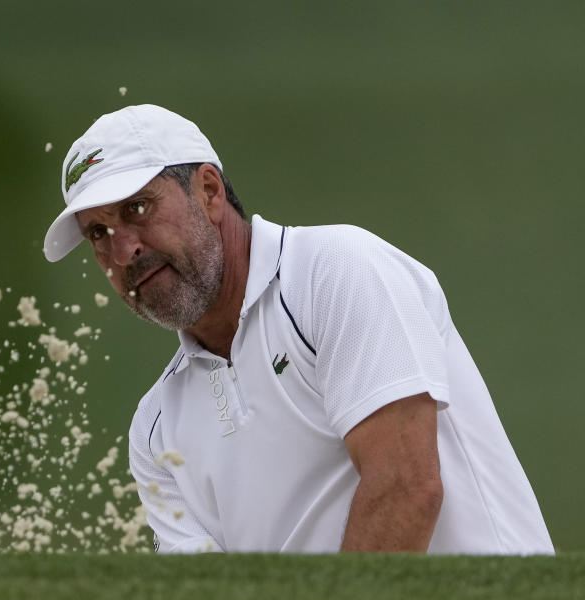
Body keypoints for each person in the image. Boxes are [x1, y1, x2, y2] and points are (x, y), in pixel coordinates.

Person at [43, 104, 554, 554]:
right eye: (98, 233)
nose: (122, 249)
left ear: (209, 191)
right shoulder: (154, 430)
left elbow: (407, 487)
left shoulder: (337, 270)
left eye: (138, 208)